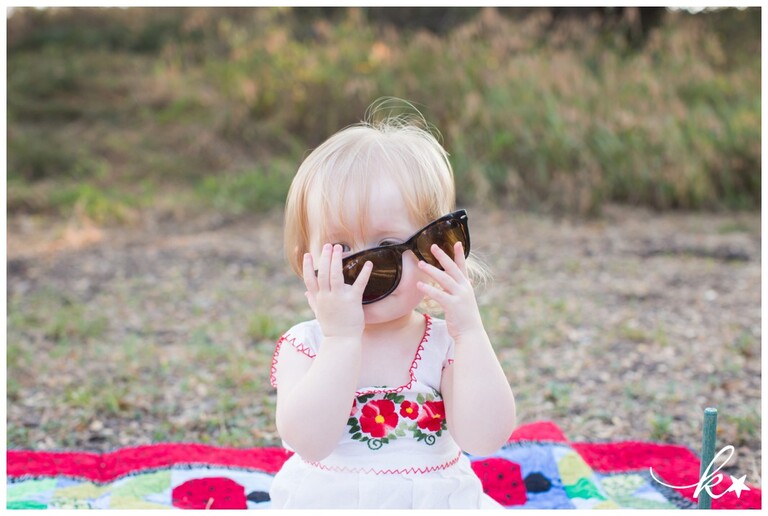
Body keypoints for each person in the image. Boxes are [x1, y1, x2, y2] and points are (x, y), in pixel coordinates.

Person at [269, 101, 516, 509]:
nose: (365, 268)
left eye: (386, 246)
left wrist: (471, 333)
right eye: (341, 249)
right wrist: (341, 339)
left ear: (434, 249)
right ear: (306, 261)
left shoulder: (443, 345)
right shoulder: (307, 345)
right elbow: (309, 442)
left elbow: (485, 438)